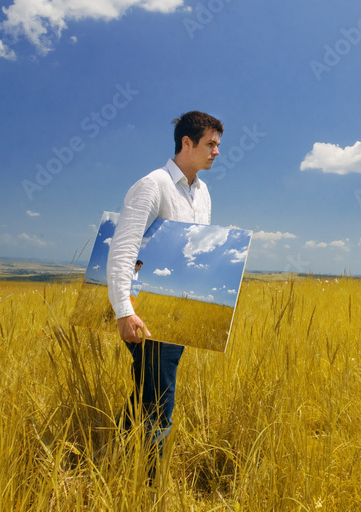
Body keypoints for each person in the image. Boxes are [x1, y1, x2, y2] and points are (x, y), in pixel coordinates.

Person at [106, 110, 223, 472]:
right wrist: (124, 310)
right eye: (211, 144)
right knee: (160, 397)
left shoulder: (203, 193)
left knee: (148, 390)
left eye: (218, 145)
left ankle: (119, 462)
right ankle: (148, 482)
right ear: (187, 143)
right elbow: (123, 249)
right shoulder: (152, 185)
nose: (217, 152)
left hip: (178, 310)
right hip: (146, 310)